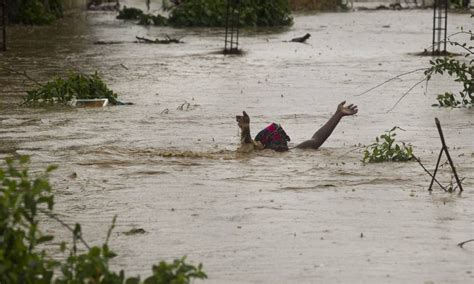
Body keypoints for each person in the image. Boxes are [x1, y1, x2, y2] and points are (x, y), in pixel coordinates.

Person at [236, 101, 358, 152]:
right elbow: (248, 144)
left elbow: (317, 139)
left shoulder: (295, 151)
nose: (283, 141)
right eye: (281, 138)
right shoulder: (293, 152)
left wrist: (338, 114)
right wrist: (246, 128)